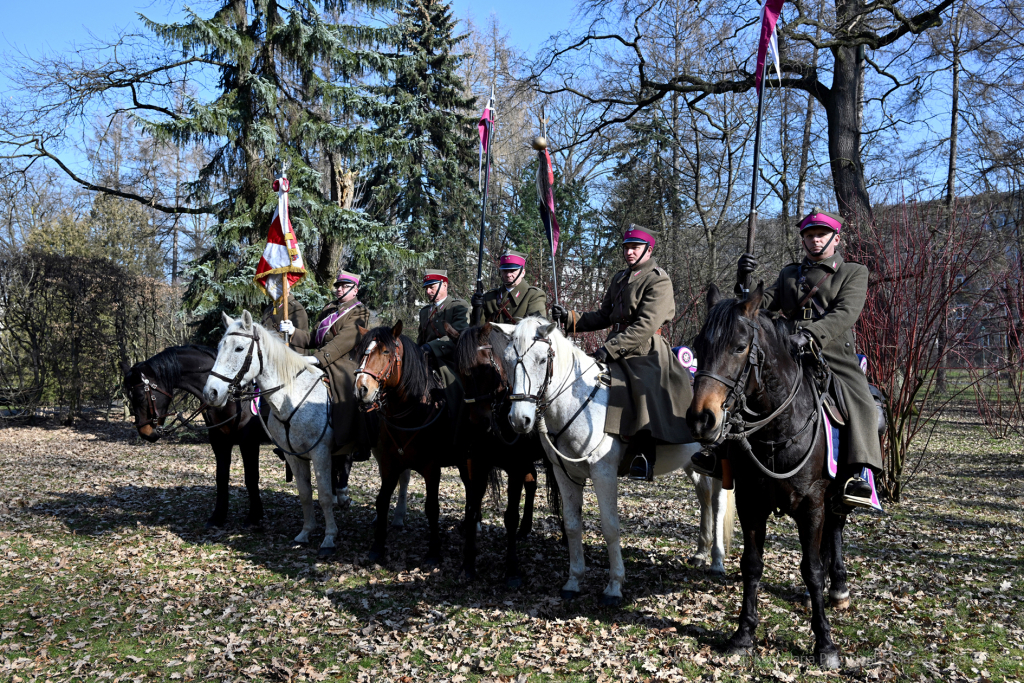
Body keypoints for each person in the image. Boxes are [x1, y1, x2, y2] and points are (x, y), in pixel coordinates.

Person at [691, 208, 882, 509]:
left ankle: (858, 474)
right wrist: (743, 281)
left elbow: (844, 313)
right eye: (809, 235)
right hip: (784, 351)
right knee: (740, 391)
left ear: (836, 239)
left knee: (861, 403)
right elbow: (760, 306)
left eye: (821, 235)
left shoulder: (853, 272)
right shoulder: (790, 273)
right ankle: (720, 457)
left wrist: (810, 335)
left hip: (830, 353)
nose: (815, 240)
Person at [550, 225, 693, 481]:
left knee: (642, 388)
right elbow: (604, 316)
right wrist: (571, 317)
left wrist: (610, 348)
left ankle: (644, 454)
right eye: (626, 247)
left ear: (648, 250)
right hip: (615, 345)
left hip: (646, 351)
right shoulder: (619, 278)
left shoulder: (658, 279)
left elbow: (646, 326)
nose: (629, 252)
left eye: (635, 247)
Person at [289, 270, 371, 457]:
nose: (339, 289)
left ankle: (351, 441)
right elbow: (314, 338)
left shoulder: (360, 311)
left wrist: (318, 358)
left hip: (344, 361)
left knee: (346, 386)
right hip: (322, 357)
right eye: (338, 286)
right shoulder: (329, 309)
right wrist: (293, 332)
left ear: (355, 290)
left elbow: (345, 340)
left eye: (344, 286)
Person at [417, 269, 471, 377]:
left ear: (445, 285)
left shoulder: (458, 306)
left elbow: (458, 336)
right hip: (426, 361)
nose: (428, 291)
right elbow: (421, 341)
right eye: (427, 288)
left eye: (432, 287)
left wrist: (430, 347)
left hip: (451, 362)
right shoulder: (424, 312)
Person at [471, 250, 547, 325]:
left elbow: (536, 328)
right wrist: (477, 309)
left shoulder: (534, 295)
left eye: (512, 270)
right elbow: (477, 330)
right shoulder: (489, 297)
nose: (508, 275)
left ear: (523, 273)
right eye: (505, 271)